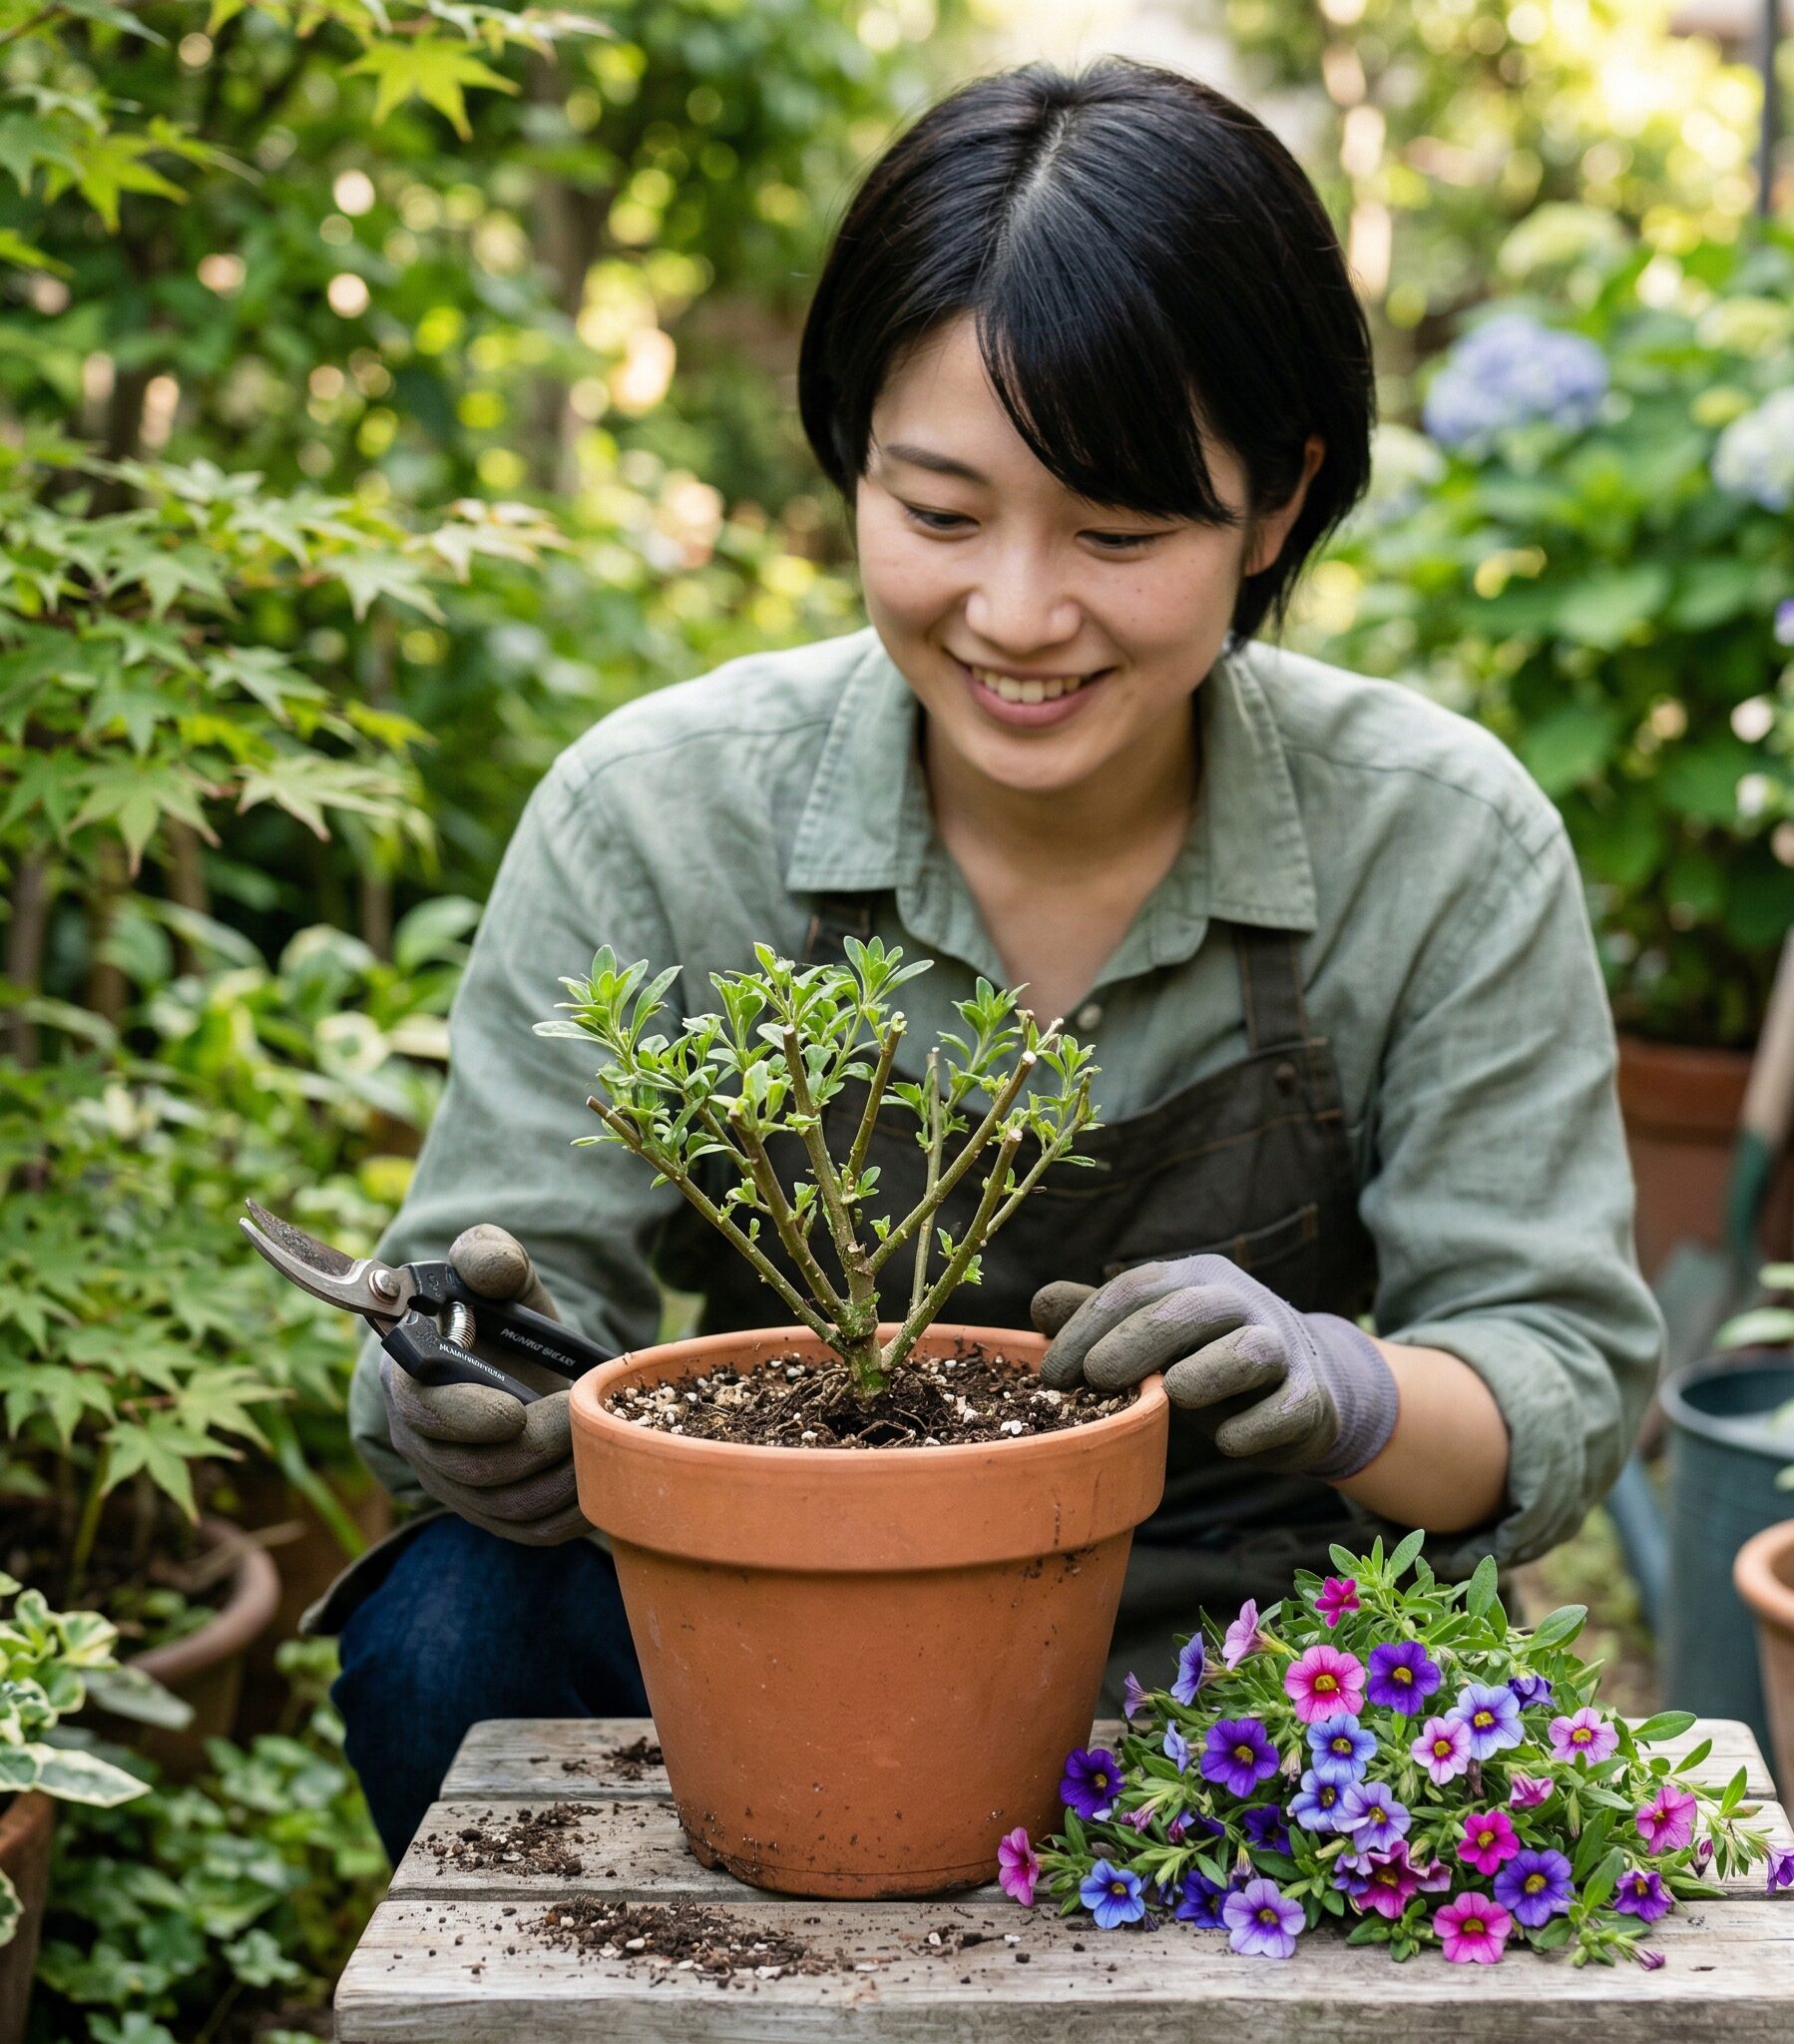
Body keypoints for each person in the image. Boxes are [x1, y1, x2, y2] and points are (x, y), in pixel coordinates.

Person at [322, 57, 1663, 1860]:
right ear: (849, 459)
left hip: (1255, 1646)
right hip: (789, 1613)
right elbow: (485, 1295)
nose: (1019, 615)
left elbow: (1550, 1363)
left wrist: (1341, 1380)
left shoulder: (1437, 842)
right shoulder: (658, 816)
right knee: (444, 1636)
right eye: (940, 515)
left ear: (1277, 507)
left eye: (1118, 533)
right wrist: (467, 1397)